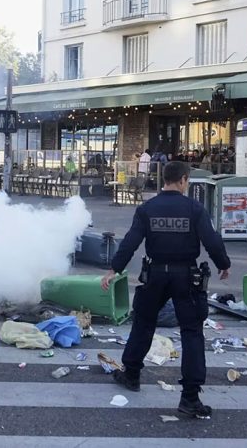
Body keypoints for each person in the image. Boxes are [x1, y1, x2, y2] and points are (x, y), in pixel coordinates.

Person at [101, 161, 231, 420]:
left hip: (155, 274)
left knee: (143, 323)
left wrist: (114, 269)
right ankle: (190, 398)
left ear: (165, 179)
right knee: (192, 332)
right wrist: (223, 265)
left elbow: (131, 241)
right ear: (183, 180)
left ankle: (132, 374)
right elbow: (211, 240)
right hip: (186, 277)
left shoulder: (148, 209)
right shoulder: (194, 209)